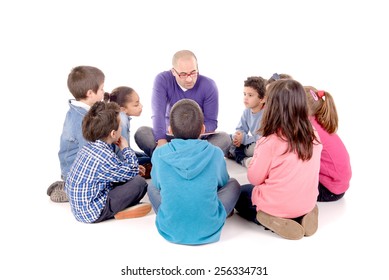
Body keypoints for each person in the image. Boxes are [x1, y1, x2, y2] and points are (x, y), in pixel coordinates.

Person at [235, 79, 322, 240]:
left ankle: (269, 218)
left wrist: (255, 159)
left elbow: (254, 178)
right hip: (306, 200)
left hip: (275, 204)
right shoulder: (314, 135)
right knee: (296, 195)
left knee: (239, 193)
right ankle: (305, 213)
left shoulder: (270, 141)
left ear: (271, 108)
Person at [147, 99, 241, 245]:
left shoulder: (159, 154)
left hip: (170, 228)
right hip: (210, 227)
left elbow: (158, 185)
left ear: (170, 130)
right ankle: (219, 211)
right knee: (233, 184)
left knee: (151, 186)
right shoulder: (215, 153)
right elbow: (222, 182)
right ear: (203, 129)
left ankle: (174, 211)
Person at [65, 101, 151, 223]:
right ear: (113, 133)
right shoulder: (104, 156)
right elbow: (131, 171)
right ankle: (117, 212)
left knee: (130, 175)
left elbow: (115, 170)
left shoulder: (89, 147)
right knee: (139, 184)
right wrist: (125, 148)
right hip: (93, 212)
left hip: (80, 208)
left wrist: (134, 169)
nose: (122, 128)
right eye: (120, 126)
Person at [134, 49, 231, 157]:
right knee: (142, 133)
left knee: (225, 138)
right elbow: (158, 114)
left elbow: (212, 122)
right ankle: (193, 160)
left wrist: (193, 132)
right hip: (171, 137)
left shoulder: (209, 85)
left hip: (197, 139)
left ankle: (169, 159)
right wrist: (161, 141)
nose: (189, 79)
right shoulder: (162, 80)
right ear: (173, 72)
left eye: (193, 72)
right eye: (183, 74)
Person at [47, 66, 105, 203]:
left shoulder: (83, 110)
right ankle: (70, 189)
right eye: (102, 89)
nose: (104, 92)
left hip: (76, 167)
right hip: (78, 173)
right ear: (90, 93)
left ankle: (68, 184)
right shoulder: (81, 120)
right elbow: (89, 155)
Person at [304, 86, 352, 202]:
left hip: (329, 190)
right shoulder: (316, 122)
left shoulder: (310, 130)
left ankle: (302, 213)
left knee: (287, 186)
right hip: (338, 185)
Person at [105, 86, 152, 178]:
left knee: (146, 155)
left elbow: (126, 149)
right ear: (122, 109)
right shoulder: (122, 120)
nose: (141, 106)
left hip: (121, 156)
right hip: (119, 162)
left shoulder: (121, 116)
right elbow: (121, 155)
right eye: (136, 105)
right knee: (152, 159)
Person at [228, 76, 267, 167]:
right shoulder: (247, 111)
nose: (245, 98)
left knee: (254, 149)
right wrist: (237, 137)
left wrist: (244, 139)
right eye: (244, 94)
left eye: (250, 95)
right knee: (228, 138)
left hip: (259, 144)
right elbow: (240, 129)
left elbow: (262, 139)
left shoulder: (266, 114)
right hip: (250, 142)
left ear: (262, 99)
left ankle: (242, 159)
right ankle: (239, 155)